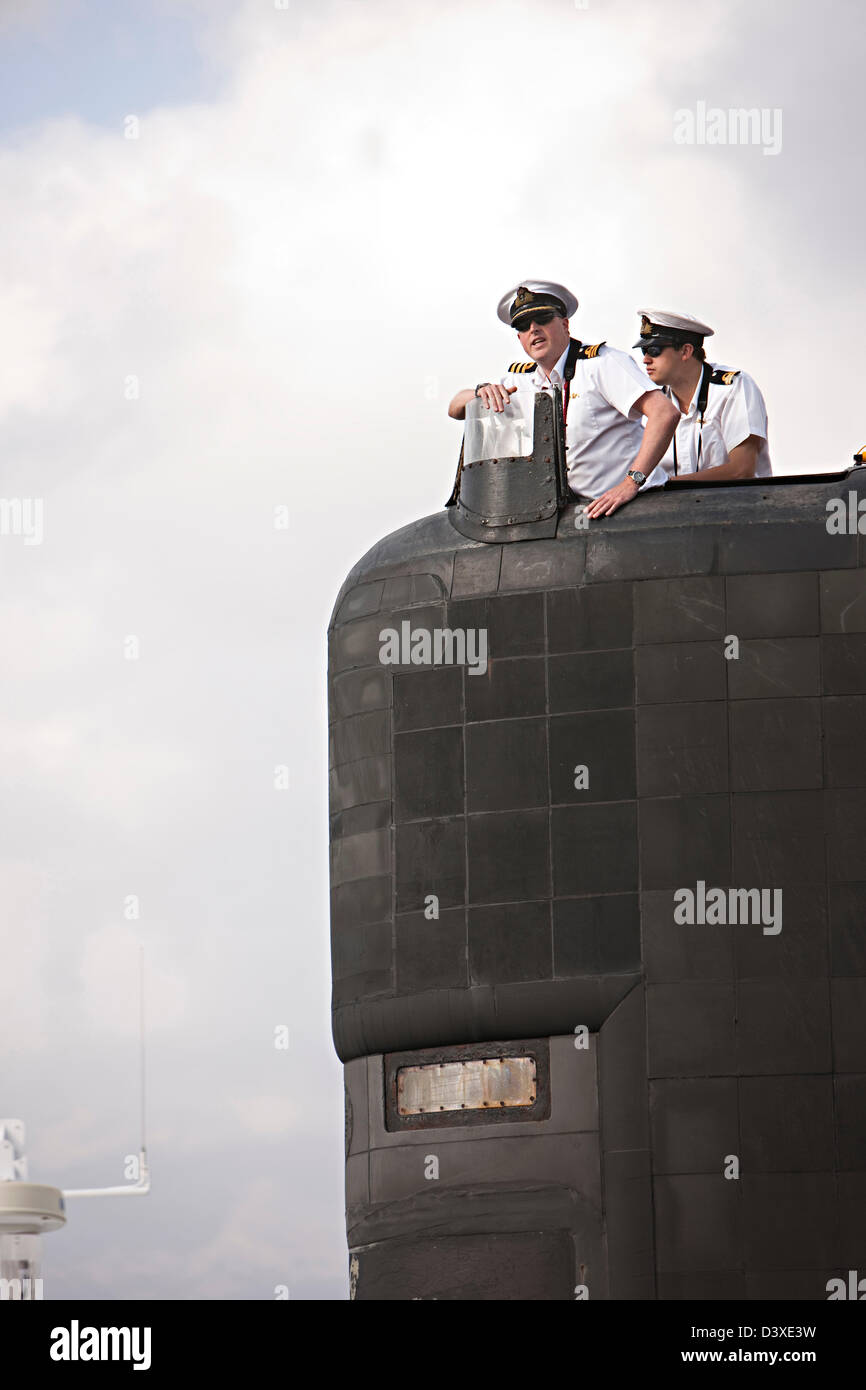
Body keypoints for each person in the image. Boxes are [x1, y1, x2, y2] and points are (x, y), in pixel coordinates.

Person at [448, 281, 679, 518]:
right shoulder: (521, 380)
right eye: (523, 325)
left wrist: (631, 483)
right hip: (573, 516)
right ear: (519, 339)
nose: (534, 329)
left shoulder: (601, 363)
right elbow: (455, 407)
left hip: (632, 509)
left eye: (543, 318)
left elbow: (664, 413)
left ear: (565, 324)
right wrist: (480, 391)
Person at [633, 309, 772, 480]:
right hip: (673, 506)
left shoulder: (733, 387)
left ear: (686, 351)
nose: (645, 359)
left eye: (654, 350)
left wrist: (663, 486)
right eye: (643, 351)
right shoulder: (654, 405)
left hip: (736, 504)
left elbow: (742, 470)